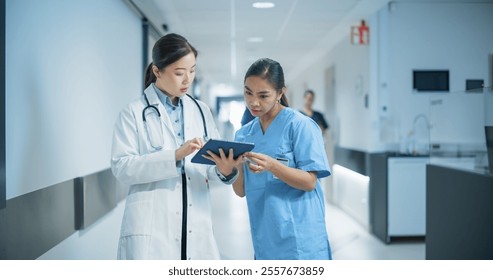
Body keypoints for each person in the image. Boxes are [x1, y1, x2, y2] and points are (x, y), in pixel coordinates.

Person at [111, 33, 236, 260]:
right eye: (179, 73)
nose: (188, 80)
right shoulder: (133, 112)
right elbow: (122, 167)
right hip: (151, 228)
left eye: (192, 71)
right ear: (157, 71)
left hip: (197, 221)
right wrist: (175, 155)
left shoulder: (201, 110)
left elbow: (208, 168)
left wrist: (224, 170)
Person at [204, 58, 332, 260]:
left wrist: (273, 166)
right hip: (265, 235)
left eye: (263, 95)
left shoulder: (300, 126)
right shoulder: (244, 135)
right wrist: (230, 170)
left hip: (301, 236)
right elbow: (241, 191)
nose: (254, 102)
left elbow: (309, 182)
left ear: (280, 93)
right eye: (248, 93)